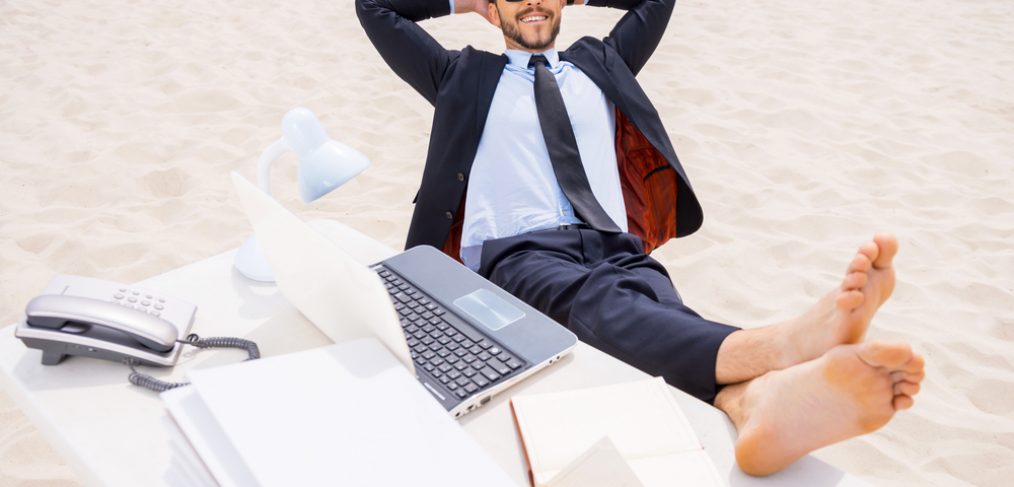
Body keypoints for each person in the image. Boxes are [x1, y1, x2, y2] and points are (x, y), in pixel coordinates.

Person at [356, 0, 925, 475]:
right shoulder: (461, 76)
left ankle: (753, 403)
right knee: (602, 304)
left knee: (656, 311)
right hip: (519, 256)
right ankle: (778, 346)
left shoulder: (602, 62)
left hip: (617, 245)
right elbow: (375, 5)